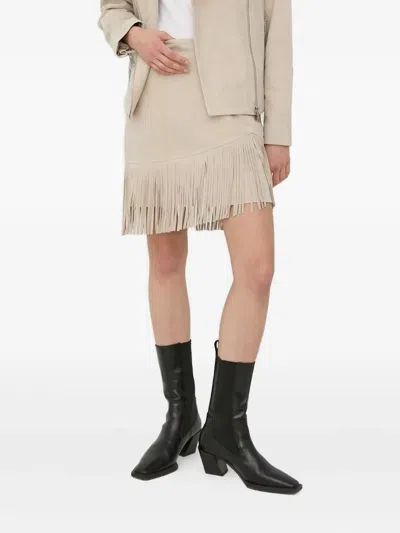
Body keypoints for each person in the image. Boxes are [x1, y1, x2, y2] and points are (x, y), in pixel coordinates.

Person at [99, 0, 302, 494]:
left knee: (256, 269)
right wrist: (133, 34)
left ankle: (226, 428)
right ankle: (180, 415)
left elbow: (277, 30)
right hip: (157, 96)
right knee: (166, 263)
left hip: (233, 104)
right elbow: (112, 7)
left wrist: (278, 132)